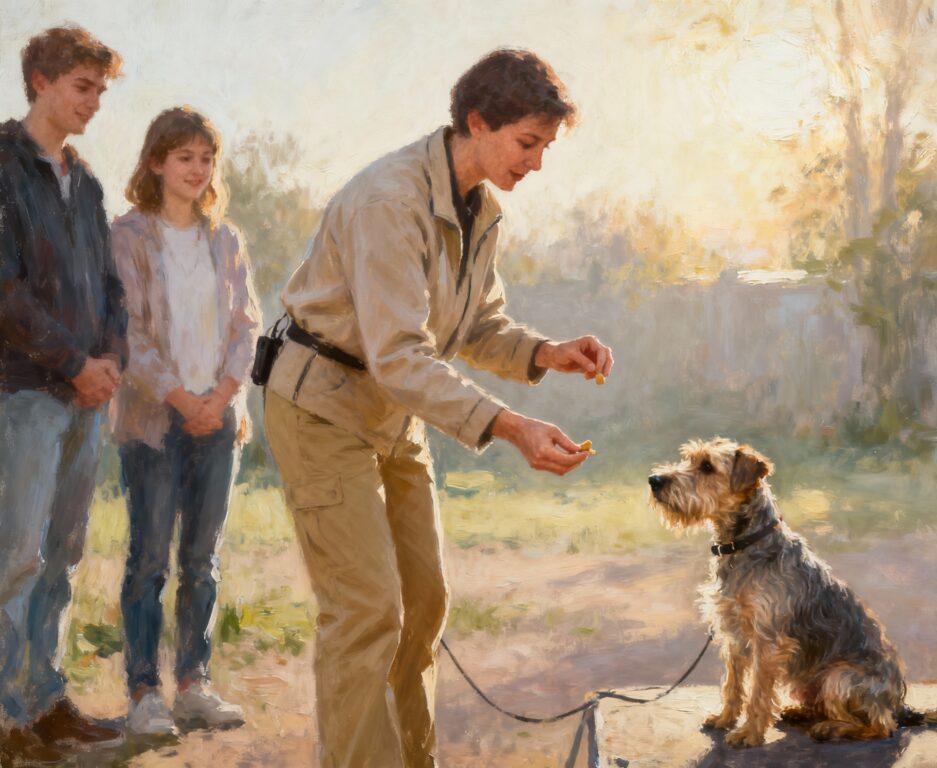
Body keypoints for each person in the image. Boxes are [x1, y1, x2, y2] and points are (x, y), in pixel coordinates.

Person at [263, 48, 613, 767]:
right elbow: (398, 355)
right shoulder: (389, 201)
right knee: (366, 612)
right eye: (527, 143)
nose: (538, 164)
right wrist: (512, 426)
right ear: (477, 122)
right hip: (321, 406)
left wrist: (549, 352)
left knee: (423, 605)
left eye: (546, 146)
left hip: (394, 412)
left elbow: (474, 329)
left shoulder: (481, 209)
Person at [110, 107, 260, 738]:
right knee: (149, 559)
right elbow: (131, 337)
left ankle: (194, 684)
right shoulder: (129, 236)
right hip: (154, 421)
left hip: (218, 419)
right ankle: (144, 692)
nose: (197, 170)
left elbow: (246, 325)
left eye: (206, 159)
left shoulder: (225, 239)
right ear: (156, 163)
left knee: (203, 558)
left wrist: (221, 396)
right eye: (184, 158)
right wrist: (181, 399)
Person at [0, 25, 126, 764]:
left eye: (102, 90)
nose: (95, 103)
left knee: (62, 555)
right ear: (41, 81)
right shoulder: (1, 164)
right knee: (15, 554)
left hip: (86, 398)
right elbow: (5, 292)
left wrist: (108, 363)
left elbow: (111, 289)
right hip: (23, 392)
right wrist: (73, 360)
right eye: (84, 87)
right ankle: (5, 715)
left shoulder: (87, 182)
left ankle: (44, 700)